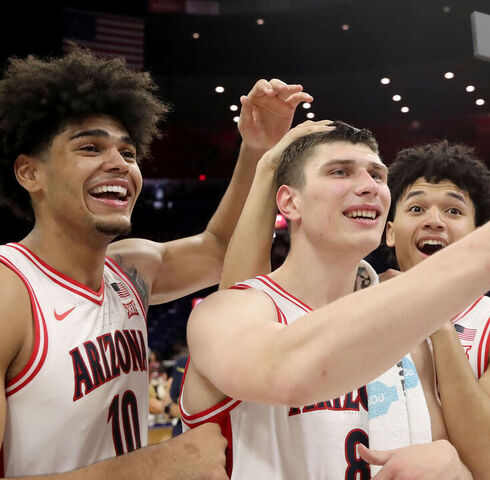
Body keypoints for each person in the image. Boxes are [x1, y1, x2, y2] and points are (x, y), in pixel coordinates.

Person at [181, 116, 490, 479]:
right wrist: (487, 254)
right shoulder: (227, 313)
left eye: (377, 174)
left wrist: (451, 466)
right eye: (340, 171)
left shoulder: (411, 339)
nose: (369, 185)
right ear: (288, 202)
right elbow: (289, 371)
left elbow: (474, 466)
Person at [0, 48, 311, 478]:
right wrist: (153, 467)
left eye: (128, 154)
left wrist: (256, 148)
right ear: (29, 173)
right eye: (90, 148)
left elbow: (220, 249)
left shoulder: (131, 269)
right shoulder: (8, 292)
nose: (118, 165)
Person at [371, 141, 490, 479]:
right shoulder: (352, 303)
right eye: (416, 209)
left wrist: (437, 319)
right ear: (390, 232)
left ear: (478, 234)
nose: (434, 221)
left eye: (454, 211)